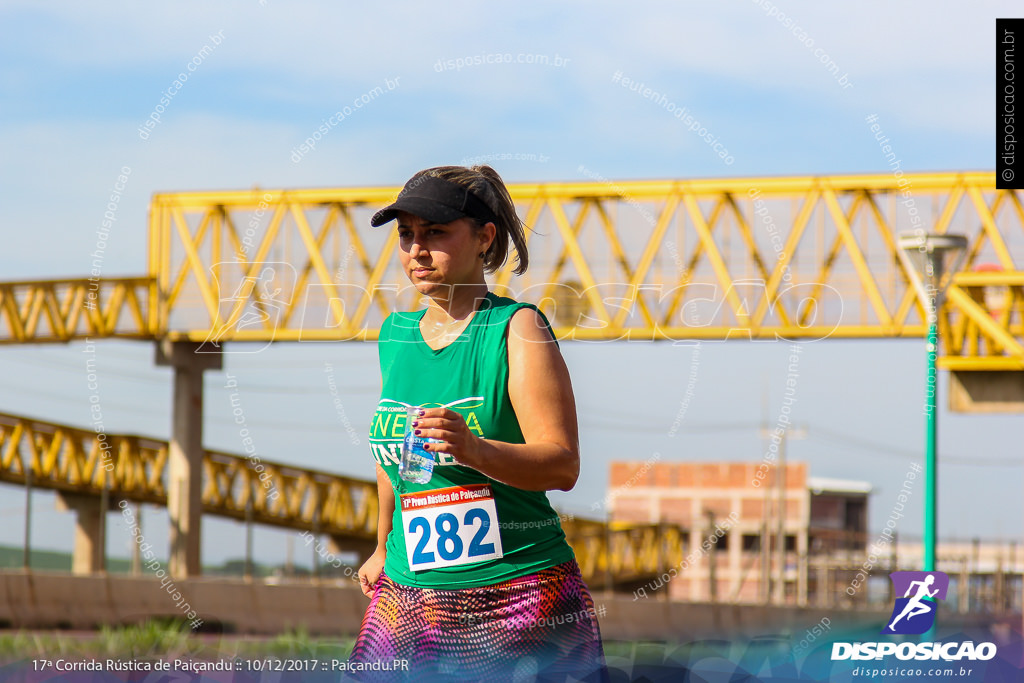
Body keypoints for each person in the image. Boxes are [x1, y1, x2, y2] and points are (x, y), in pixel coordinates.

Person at [347, 165, 607, 681]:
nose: (416, 249)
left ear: (484, 237)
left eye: (435, 232)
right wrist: (380, 545)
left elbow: (563, 464)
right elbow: (392, 458)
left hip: (521, 597)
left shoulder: (517, 328)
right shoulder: (394, 334)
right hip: (409, 593)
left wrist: (474, 449)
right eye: (406, 235)